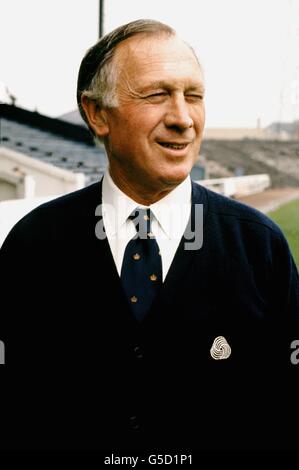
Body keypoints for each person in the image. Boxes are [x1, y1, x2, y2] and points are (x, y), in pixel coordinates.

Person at [0, 19, 298, 451]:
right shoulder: (33, 245)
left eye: (193, 96)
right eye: (157, 95)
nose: (182, 118)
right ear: (97, 113)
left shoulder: (260, 247)